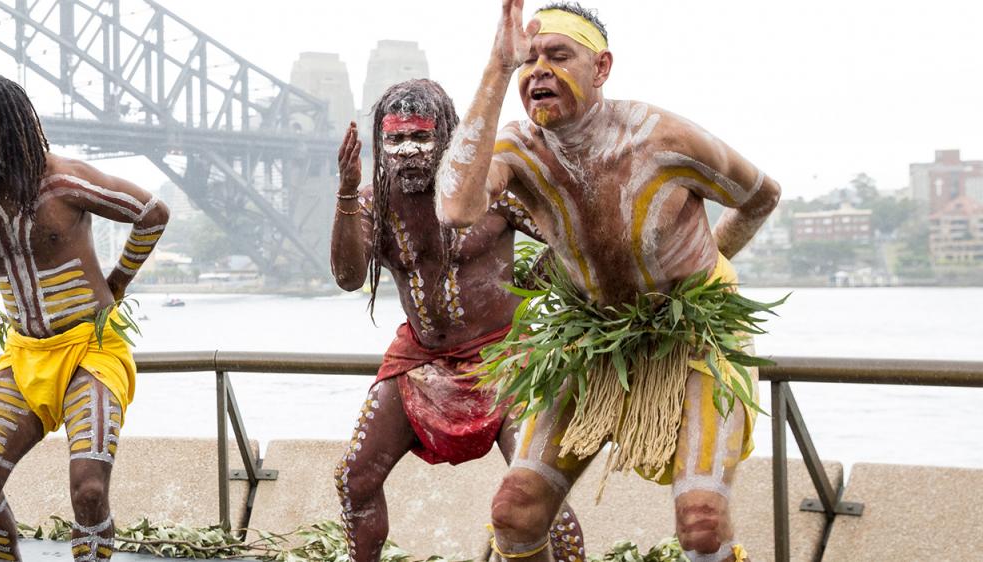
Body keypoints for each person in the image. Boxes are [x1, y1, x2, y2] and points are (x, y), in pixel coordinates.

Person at [434, 2, 781, 560]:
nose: (537, 70)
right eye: (529, 59)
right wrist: (497, 69)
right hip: (593, 337)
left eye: (558, 55)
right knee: (514, 513)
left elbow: (762, 196)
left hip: (694, 338)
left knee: (702, 524)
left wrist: (705, 270)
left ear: (601, 68)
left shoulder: (662, 137)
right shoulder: (520, 150)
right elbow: (455, 207)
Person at [0, 71, 169, 561]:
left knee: (88, 490)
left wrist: (119, 281)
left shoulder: (64, 180)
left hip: (92, 351)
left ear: (13, 127)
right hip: (25, 356)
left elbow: (152, 213)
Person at [328, 79, 583, 561]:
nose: (407, 153)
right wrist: (344, 192)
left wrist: (532, 282)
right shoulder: (371, 203)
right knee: (354, 478)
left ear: (446, 138)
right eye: (395, 141)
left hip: (507, 358)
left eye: (420, 138)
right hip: (420, 359)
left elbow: (568, 234)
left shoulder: (492, 190)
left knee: (537, 490)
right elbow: (346, 276)